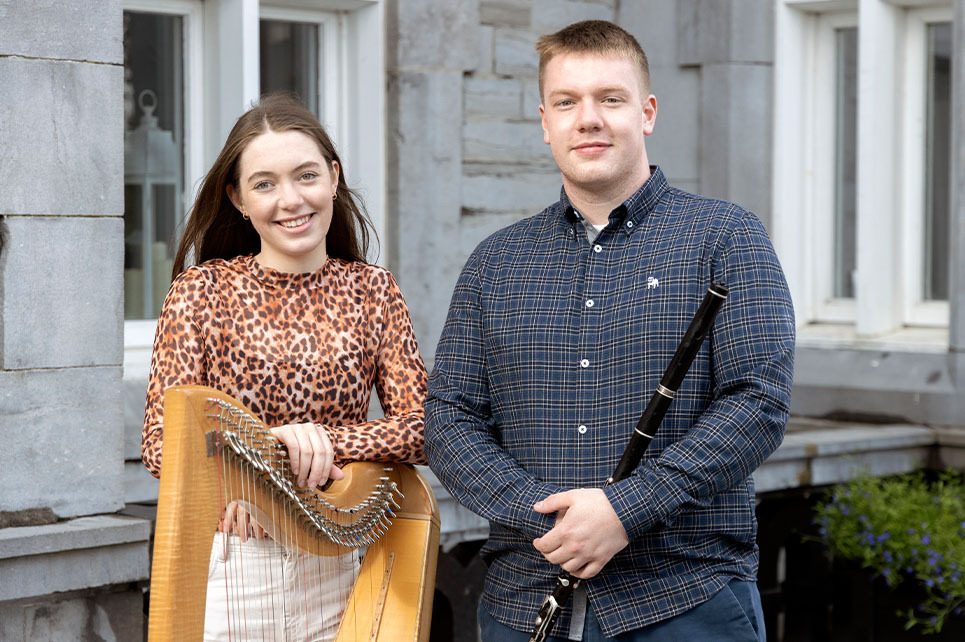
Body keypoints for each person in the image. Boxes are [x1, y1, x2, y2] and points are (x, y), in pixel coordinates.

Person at [425, 20, 795, 642]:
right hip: (525, 602)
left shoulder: (726, 238)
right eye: (567, 102)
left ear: (647, 113)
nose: (587, 118)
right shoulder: (496, 262)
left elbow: (758, 402)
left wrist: (627, 508)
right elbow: (450, 417)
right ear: (545, 122)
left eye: (610, 98)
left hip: (685, 600)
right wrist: (545, 518)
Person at [141, 93, 428, 641]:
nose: (290, 200)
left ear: (334, 177)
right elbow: (161, 443)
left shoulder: (373, 290)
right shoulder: (202, 292)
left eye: (305, 176)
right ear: (239, 198)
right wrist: (274, 449)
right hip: (233, 561)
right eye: (265, 183)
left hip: (342, 556)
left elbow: (422, 429)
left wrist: (320, 440)